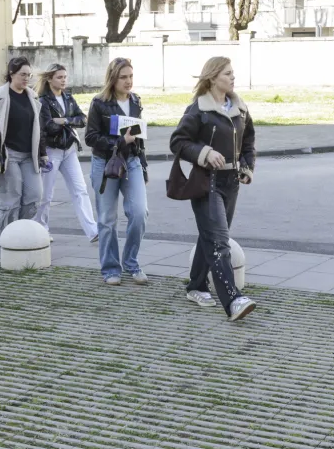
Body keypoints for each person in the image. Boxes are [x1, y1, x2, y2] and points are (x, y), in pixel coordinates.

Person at [169, 57, 258, 321]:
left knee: (211, 235)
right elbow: (178, 142)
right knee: (219, 241)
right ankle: (232, 299)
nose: (233, 78)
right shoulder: (198, 110)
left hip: (231, 183)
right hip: (206, 182)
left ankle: (196, 285)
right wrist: (204, 153)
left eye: (233, 73)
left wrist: (246, 165)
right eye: (228, 74)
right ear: (212, 77)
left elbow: (249, 139)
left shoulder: (240, 108)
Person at [85, 58, 150, 286]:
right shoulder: (99, 103)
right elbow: (90, 138)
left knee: (140, 213)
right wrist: (119, 141)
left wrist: (143, 166)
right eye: (123, 77)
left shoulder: (135, 101)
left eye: (131, 76)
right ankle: (111, 268)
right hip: (105, 163)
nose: (128, 81)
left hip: (131, 161)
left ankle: (131, 262)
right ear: (113, 78)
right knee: (107, 219)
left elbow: (139, 137)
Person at [33, 63, 99, 242]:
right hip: (51, 150)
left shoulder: (68, 98)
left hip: (69, 150)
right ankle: (41, 229)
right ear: (49, 79)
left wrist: (64, 120)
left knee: (80, 190)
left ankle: (93, 231)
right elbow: (49, 127)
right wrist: (67, 122)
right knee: (46, 195)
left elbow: (83, 119)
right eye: (59, 77)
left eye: (65, 77)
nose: (63, 81)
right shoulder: (43, 101)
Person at [0, 57, 47, 234]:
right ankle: (8, 238)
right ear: (11, 74)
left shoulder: (32, 96)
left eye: (29, 75)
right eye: (22, 74)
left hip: (29, 155)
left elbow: (38, 128)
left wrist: (42, 153)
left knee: (34, 195)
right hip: (8, 154)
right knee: (12, 197)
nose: (26, 78)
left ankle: (20, 231)